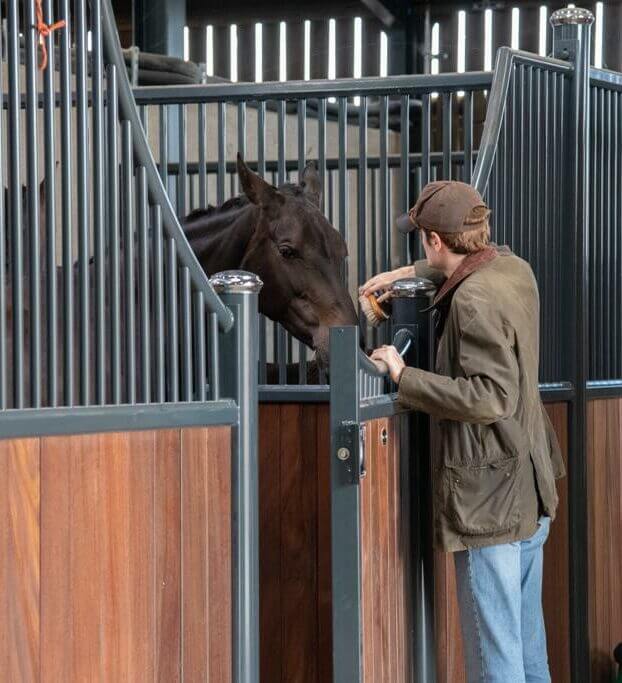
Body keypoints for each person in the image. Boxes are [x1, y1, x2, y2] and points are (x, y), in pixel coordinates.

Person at [362, 180, 566, 683]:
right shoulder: (514, 270)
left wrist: (403, 375)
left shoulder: (473, 301)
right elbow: (484, 260)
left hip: (488, 502)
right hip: (527, 487)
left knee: (495, 662)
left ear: (434, 240)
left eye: (422, 238)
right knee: (526, 650)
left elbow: (489, 396)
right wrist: (405, 274)